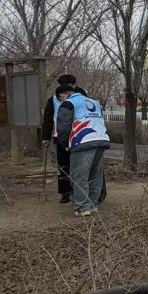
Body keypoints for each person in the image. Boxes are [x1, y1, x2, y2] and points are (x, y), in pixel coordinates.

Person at [55, 84, 110, 216]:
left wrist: (64, 144)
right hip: (101, 139)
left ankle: (82, 207)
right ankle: (92, 204)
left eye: (60, 98)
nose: (61, 101)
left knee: (79, 175)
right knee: (95, 175)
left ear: (63, 95)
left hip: (82, 139)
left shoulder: (69, 103)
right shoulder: (94, 102)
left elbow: (63, 126)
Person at [41, 73, 78, 203]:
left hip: (76, 136)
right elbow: (48, 119)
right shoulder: (53, 100)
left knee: (73, 165)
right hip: (63, 137)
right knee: (63, 166)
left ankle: (75, 191)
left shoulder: (79, 97)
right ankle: (65, 192)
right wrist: (46, 137)